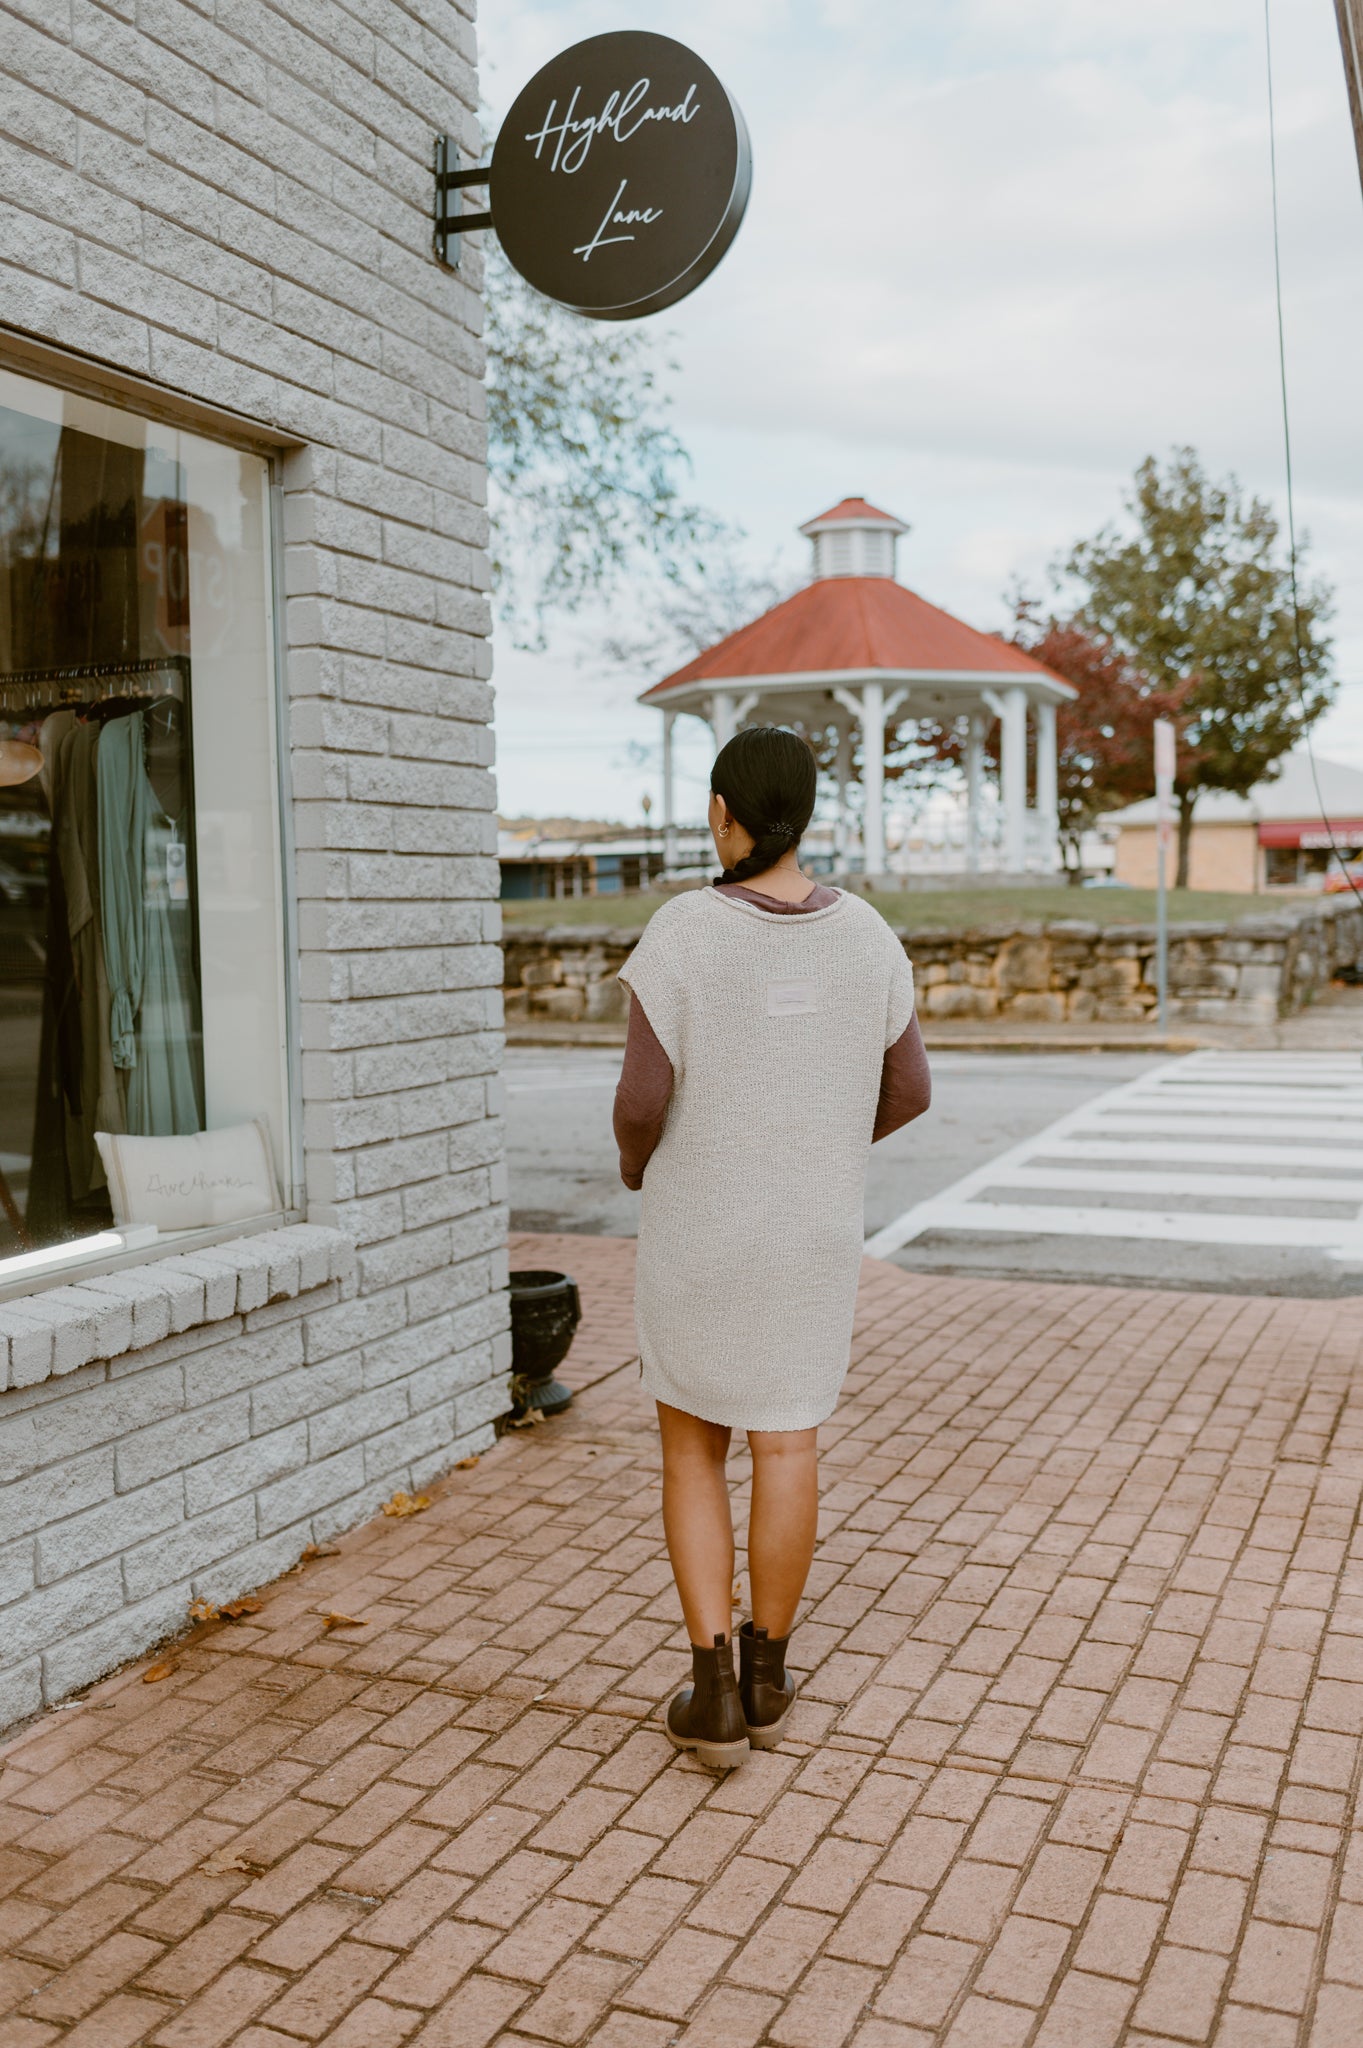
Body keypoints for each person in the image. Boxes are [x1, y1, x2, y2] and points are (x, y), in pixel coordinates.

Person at [613, 726, 932, 1767]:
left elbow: (641, 1101)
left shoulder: (681, 935)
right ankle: (767, 1672)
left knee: (692, 1446)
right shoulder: (867, 936)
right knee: (787, 1440)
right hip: (811, 1233)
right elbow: (911, 1089)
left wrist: (634, 1164)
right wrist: (823, 1146)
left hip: (701, 1229)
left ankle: (709, 1695)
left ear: (722, 812)